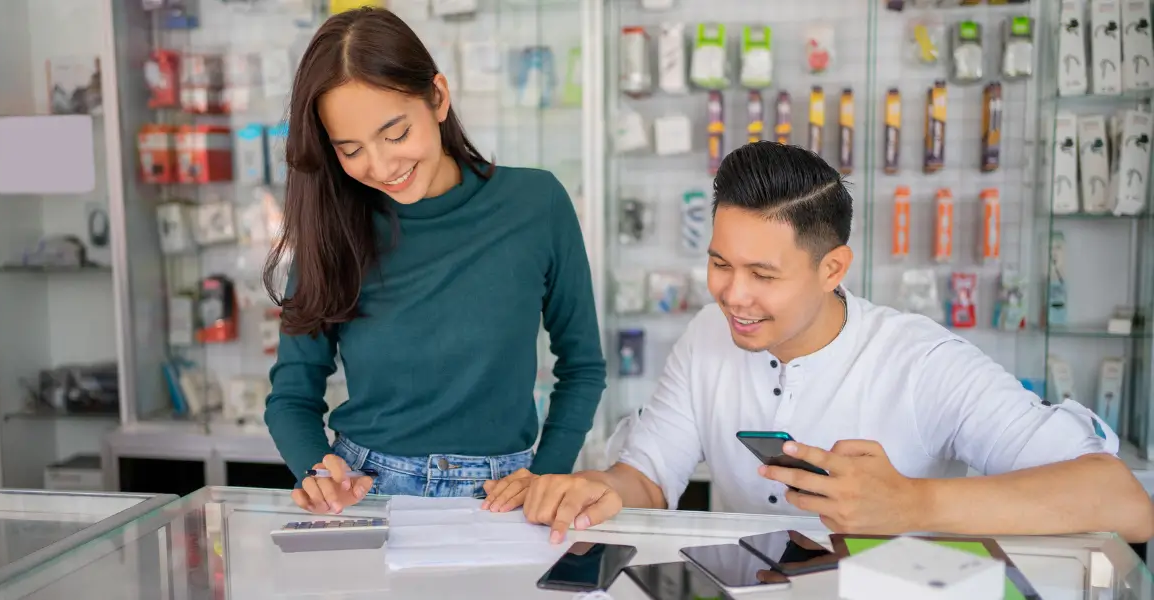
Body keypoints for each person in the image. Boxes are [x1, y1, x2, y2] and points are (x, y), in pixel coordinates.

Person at [487, 141, 1154, 544]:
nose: (732, 294)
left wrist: (914, 503)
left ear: (832, 268)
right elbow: (649, 475)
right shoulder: (707, 338)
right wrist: (595, 488)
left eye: (763, 275)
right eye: (721, 263)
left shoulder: (921, 362)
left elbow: (1122, 502)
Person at [264, 7, 605, 515]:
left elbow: (582, 367)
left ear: (438, 98)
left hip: (504, 494)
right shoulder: (331, 228)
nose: (381, 167)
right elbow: (291, 396)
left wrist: (545, 473)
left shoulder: (537, 203)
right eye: (351, 149)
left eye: (395, 134)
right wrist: (318, 470)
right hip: (364, 490)